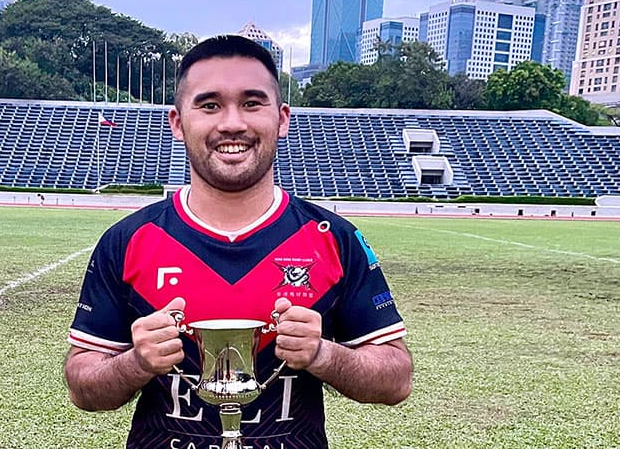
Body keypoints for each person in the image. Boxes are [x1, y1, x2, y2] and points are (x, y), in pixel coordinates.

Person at [65, 35, 412, 448]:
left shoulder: (334, 239)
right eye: (209, 105)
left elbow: (396, 379)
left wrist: (323, 354)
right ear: (178, 122)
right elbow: (82, 387)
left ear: (281, 118)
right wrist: (136, 362)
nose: (232, 123)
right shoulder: (129, 241)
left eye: (252, 102)